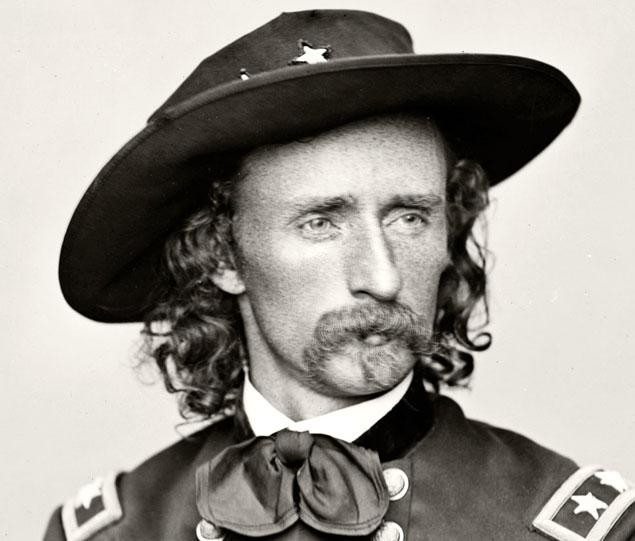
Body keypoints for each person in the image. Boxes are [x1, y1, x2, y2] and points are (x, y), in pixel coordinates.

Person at [44, 9, 634, 541]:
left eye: (410, 218)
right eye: (321, 223)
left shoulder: (563, 526)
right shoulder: (120, 530)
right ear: (222, 255)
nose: (383, 278)